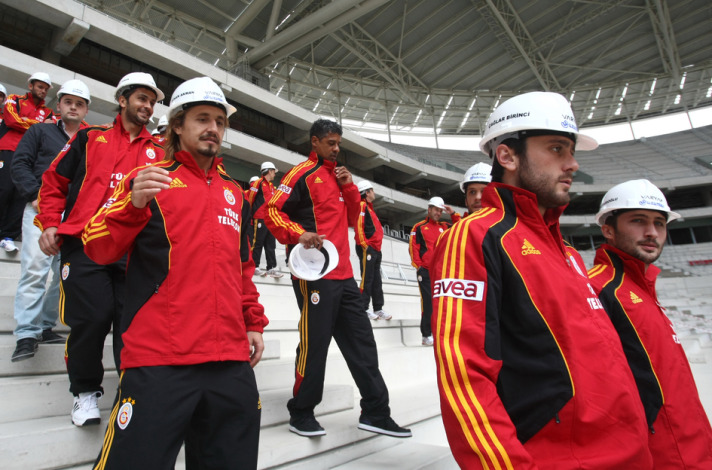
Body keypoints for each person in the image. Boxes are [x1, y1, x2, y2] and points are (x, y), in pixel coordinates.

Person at [431, 91, 653, 468]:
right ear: (508, 156)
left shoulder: (566, 251)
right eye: (556, 149)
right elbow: (463, 376)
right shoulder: (474, 236)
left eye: (570, 151)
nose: (572, 164)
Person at [82, 76, 267, 470]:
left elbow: (243, 266)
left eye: (220, 120)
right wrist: (131, 205)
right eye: (202, 118)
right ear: (178, 125)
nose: (213, 128)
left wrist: (253, 321)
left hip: (230, 362)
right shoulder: (148, 180)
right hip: (159, 361)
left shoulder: (236, 193)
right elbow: (96, 246)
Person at [265, 118, 411, 439]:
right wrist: (300, 233)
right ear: (314, 142)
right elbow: (272, 211)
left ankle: (376, 411)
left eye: (338, 143)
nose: (336, 148)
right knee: (315, 345)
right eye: (330, 142)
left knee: (363, 344)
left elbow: (351, 218)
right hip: (314, 274)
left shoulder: (340, 178)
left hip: (344, 275)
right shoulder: (299, 174)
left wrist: (348, 186)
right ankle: (301, 412)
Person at [35, 72, 164, 427]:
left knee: (131, 327)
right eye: (141, 98)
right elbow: (53, 182)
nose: (147, 106)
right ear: (122, 100)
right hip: (84, 244)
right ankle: (85, 393)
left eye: (152, 101)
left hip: (134, 253)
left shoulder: (161, 152)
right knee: (91, 319)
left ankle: (130, 396)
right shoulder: (90, 137)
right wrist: (48, 222)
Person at [588, 179, 712, 468]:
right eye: (638, 221)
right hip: (661, 458)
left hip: (693, 451)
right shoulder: (598, 289)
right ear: (608, 229)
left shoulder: (643, 289)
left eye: (659, 223)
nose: (651, 232)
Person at [9, 79, 91, 362]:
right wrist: (34, 195)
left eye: (79, 104)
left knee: (61, 275)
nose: (73, 107)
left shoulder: (90, 140)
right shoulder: (40, 131)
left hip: (73, 218)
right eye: (68, 102)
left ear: (85, 111)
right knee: (35, 269)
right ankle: (26, 334)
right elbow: (19, 163)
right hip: (41, 210)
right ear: (59, 105)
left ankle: (45, 326)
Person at [0, 72, 54, 252]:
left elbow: (49, 129)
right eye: (40, 87)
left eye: (46, 89)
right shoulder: (14, 99)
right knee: (3, 189)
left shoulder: (49, 112)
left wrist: (26, 122)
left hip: (31, 156)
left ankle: (8, 236)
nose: (43, 91)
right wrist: (37, 125)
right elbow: (11, 120)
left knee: (20, 196)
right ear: (30, 86)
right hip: (8, 149)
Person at [408, 196, 458, 346]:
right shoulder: (419, 227)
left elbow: (462, 226)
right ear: (429, 209)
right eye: (436, 210)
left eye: (440, 210)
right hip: (426, 272)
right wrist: (419, 266)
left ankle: (438, 333)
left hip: (441, 273)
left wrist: (453, 213)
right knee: (428, 303)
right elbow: (413, 247)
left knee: (441, 304)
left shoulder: (445, 226)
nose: (438, 213)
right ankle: (426, 335)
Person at [355, 180, 390, 321]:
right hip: (367, 248)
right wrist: (365, 245)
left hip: (375, 249)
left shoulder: (369, 208)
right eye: (372, 190)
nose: (374, 193)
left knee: (376, 280)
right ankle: (363, 308)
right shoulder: (362, 206)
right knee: (367, 278)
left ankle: (378, 308)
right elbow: (359, 225)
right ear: (367, 192)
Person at [246, 161, 282, 277]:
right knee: (257, 243)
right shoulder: (257, 183)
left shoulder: (272, 186)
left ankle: (271, 268)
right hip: (259, 218)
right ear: (269, 171)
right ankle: (255, 266)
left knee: (271, 244)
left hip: (270, 219)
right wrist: (251, 215)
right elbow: (250, 199)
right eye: (274, 172)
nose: (275, 174)